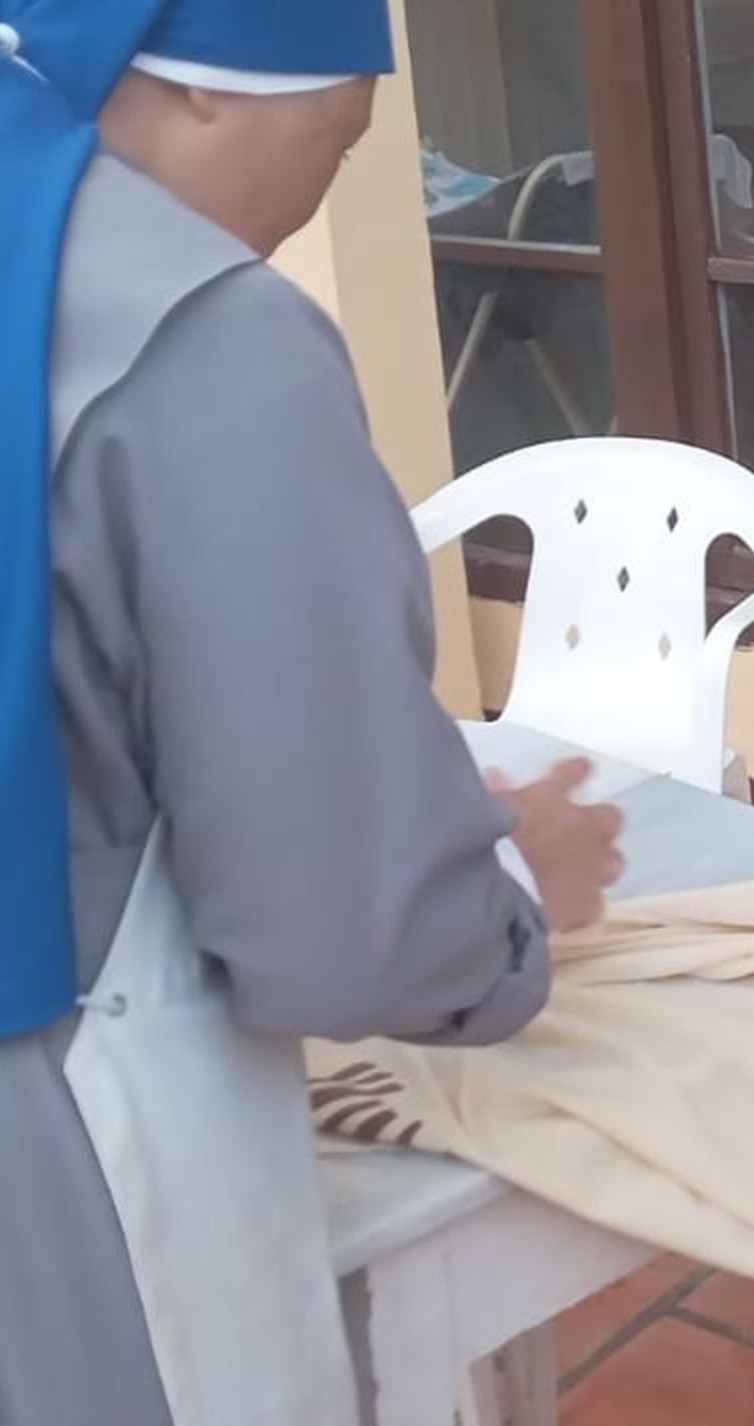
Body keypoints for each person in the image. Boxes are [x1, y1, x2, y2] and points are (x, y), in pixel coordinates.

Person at [0, 2, 623, 1421]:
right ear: (210, 90)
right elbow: (340, 933)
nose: (301, 212)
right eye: (338, 141)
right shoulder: (202, 341)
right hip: (67, 1156)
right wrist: (509, 877)